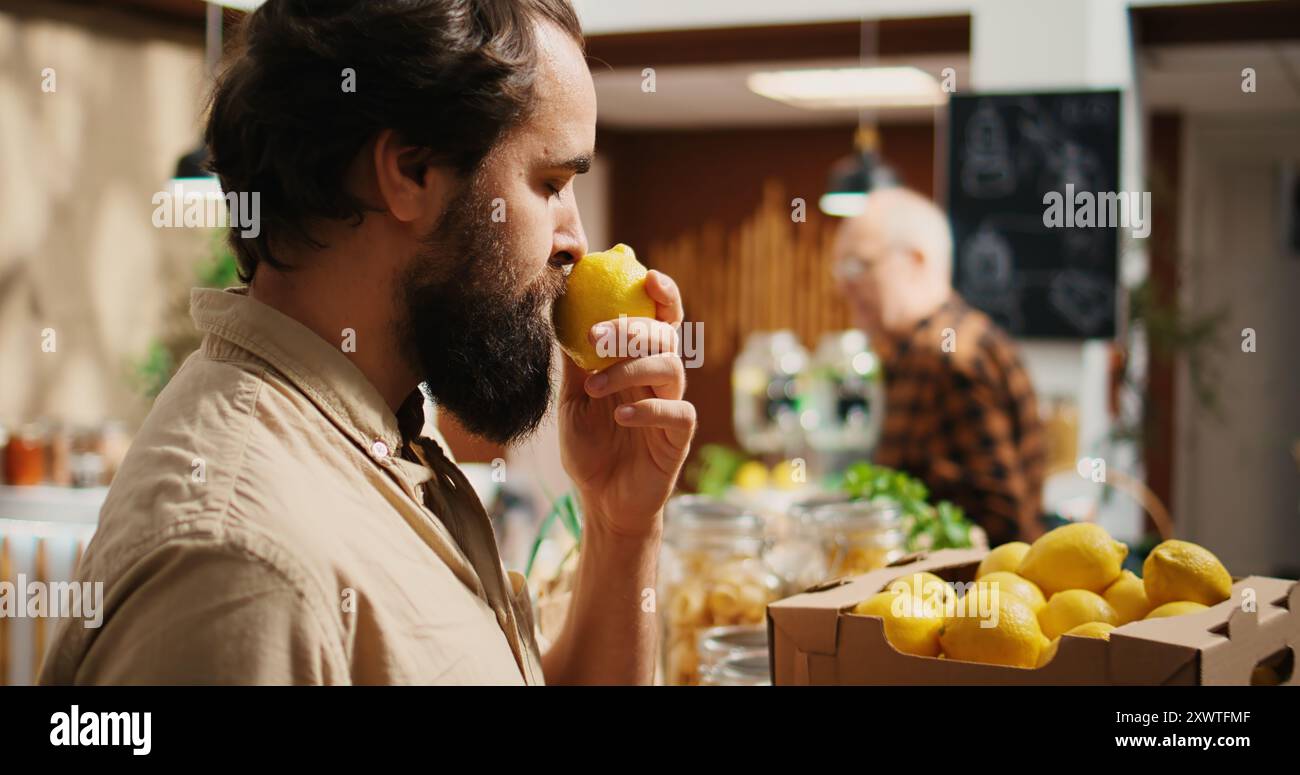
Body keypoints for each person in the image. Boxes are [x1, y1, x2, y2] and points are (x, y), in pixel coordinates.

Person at [40, 0, 695, 685]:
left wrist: (621, 527)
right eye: (552, 184)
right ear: (410, 172)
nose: (577, 243)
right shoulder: (244, 566)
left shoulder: (386, 429)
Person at [832, 187, 1044, 544]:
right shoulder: (923, 349)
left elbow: (1006, 526)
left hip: (972, 595)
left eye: (859, 265)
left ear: (915, 261)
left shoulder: (948, 356)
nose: (844, 286)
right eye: (840, 270)